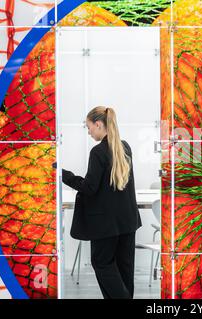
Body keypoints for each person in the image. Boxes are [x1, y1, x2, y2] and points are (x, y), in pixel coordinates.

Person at [61, 106, 142, 299]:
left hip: (106, 224)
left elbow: (90, 187)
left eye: (89, 127)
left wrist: (64, 175)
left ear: (99, 124)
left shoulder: (98, 152)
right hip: (128, 221)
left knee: (102, 263)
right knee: (125, 268)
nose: (88, 132)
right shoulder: (125, 147)